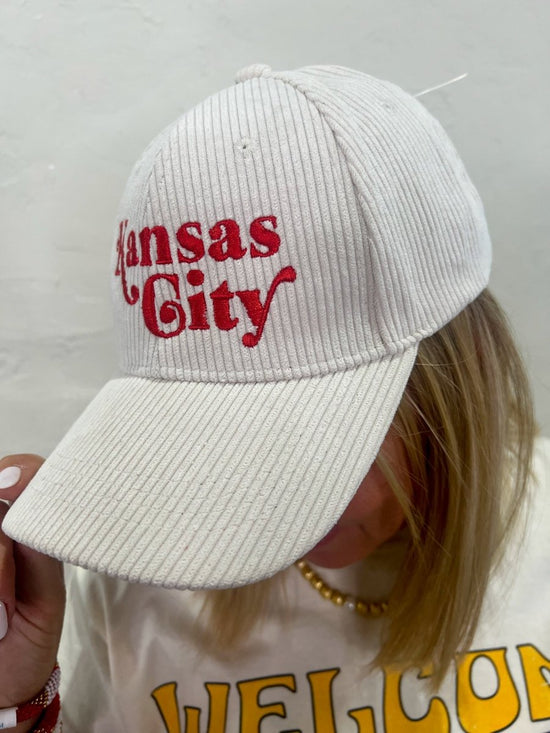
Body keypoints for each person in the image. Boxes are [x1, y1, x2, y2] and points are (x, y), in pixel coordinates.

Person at [0, 62, 547, 732]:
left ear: (459, 369)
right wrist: (17, 705)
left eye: (317, 431)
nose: (257, 488)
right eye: (199, 433)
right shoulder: (131, 578)